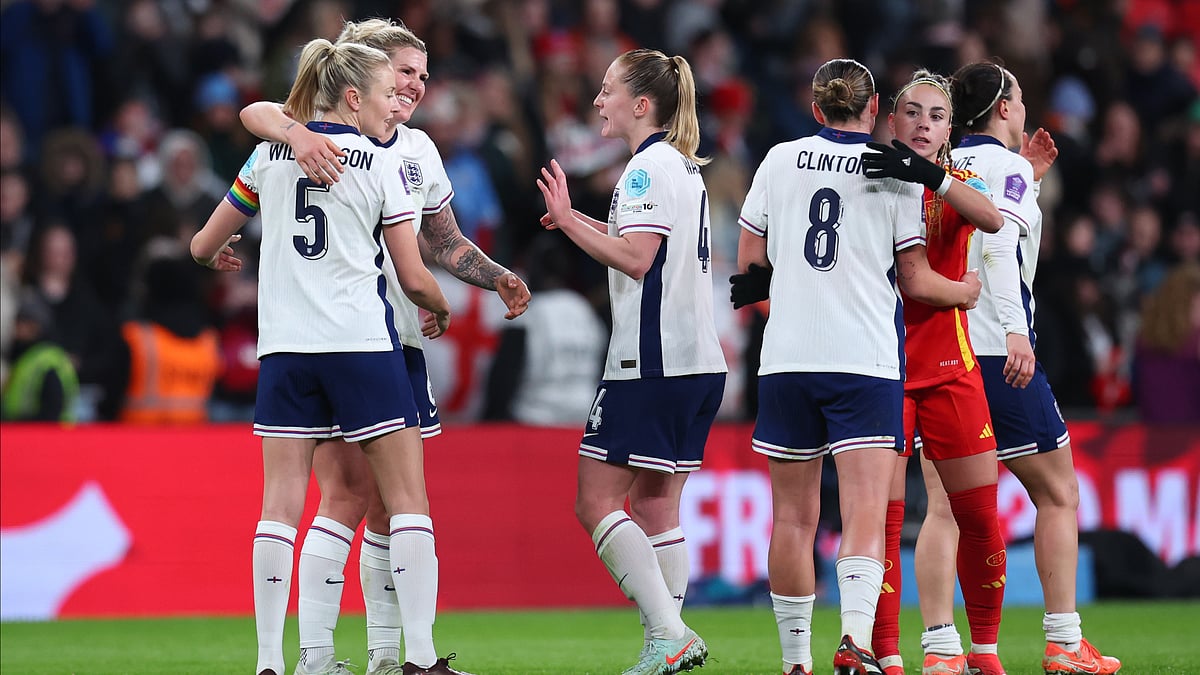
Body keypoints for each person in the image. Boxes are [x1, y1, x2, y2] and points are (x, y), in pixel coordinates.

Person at [238, 18, 529, 675]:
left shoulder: (419, 149)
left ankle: (376, 657)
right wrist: (295, 128)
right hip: (361, 339)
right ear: (366, 75)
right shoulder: (320, 137)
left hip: (389, 339)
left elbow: (445, 242)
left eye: (423, 76)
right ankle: (333, 654)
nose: (415, 86)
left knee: (373, 504)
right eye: (403, 71)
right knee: (356, 496)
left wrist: (495, 274)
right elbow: (259, 113)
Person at [189, 38, 459, 675]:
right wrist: (440, 306)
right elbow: (414, 274)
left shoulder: (268, 155)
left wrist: (213, 257)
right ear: (352, 96)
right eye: (387, 93)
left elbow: (203, 243)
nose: (396, 104)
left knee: (280, 505)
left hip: (285, 351)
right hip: (361, 346)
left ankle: (270, 664)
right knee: (406, 500)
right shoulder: (380, 164)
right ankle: (417, 660)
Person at [733, 58, 982, 675]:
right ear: (877, 110)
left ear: (816, 109)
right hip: (864, 361)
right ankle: (855, 644)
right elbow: (918, 279)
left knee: (792, 518)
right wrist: (968, 291)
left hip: (787, 360)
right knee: (867, 511)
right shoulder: (892, 172)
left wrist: (784, 311)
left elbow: (746, 271)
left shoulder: (777, 159)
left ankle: (795, 661)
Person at [914, 60, 1121, 675]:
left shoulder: (943, 170)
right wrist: (1014, 330)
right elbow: (1001, 241)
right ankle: (1062, 641)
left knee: (944, 509)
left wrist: (1027, 173)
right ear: (1004, 108)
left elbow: (976, 221)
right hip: (1001, 357)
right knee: (1058, 493)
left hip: (942, 353)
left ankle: (941, 652)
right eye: (1021, 98)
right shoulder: (1006, 172)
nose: (1025, 108)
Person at [536, 48, 726, 675]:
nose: (597, 100)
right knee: (655, 507)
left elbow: (638, 258)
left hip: (650, 364)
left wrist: (566, 221)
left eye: (608, 89)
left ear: (641, 105)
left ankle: (668, 633)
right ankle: (668, 644)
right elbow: (641, 248)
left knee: (596, 502)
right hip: (697, 360)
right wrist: (576, 222)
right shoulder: (680, 167)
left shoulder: (643, 171)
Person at [856, 69, 1007, 675]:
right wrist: (962, 292)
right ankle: (889, 655)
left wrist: (933, 176)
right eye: (912, 112)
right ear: (891, 121)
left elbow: (991, 218)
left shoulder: (953, 181)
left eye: (936, 115)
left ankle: (984, 652)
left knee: (978, 515)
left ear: (950, 130)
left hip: (950, 367)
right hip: (880, 369)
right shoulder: (861, 181)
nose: (922, 123)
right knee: (885, 524)